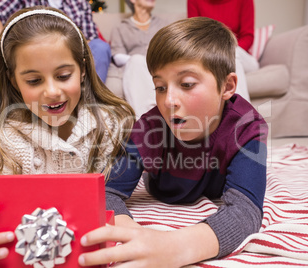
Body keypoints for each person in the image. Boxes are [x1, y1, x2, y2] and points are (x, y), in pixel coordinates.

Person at [0, 6, 135, 267]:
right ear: (14, 82)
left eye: (63, 76)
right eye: (34, 81)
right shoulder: (9, 135)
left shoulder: (111, 124)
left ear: (82, 70)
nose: (52, 91)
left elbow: (130, 179)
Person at [78, 17, 268, 267]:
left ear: (227, 86)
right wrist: (130, 234)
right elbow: (108, 192)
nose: (169, 101)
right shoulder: (149, 128)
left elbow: (245, 212)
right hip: (165, 183)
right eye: (159, 87)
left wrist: (175, 247)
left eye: (187, 84)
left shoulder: (248, 127)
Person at [0, 0, 111, 83]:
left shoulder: (80, 2)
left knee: (100, 47)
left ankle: (91, 107)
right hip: (37, 53)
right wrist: (8, 56)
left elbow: (91, 38)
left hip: (74, 51)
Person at [187, 0, 260, 102]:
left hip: (240, 56)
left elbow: (248, 37)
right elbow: (195, 36)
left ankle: (243, 111)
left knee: (233, 52)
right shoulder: (194, 1)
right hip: (210, 56)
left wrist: (225, 51)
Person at [109, 0, 168, 118]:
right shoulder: (121, 27)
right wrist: (139, 60)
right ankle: (144, 120)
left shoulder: (163, 25)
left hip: (158, 65)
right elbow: (117, 55)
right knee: (136, 60)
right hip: (133, 69)